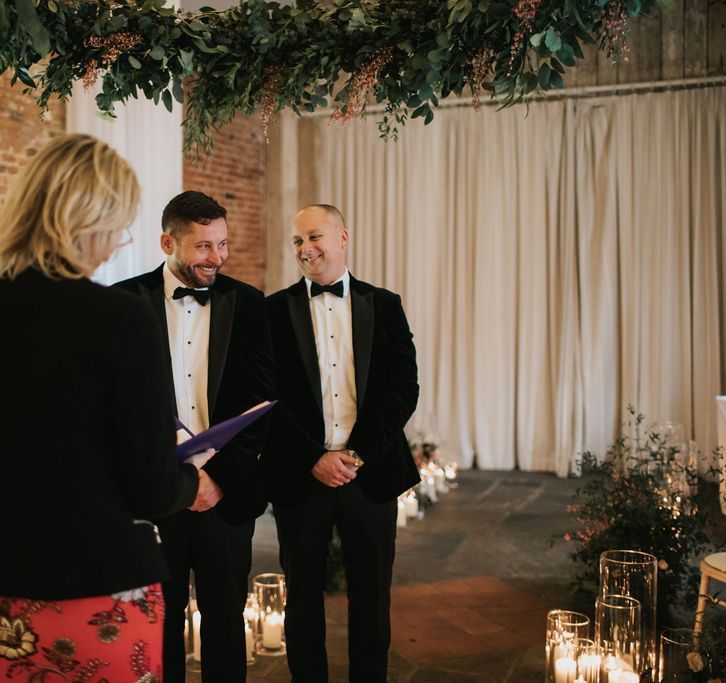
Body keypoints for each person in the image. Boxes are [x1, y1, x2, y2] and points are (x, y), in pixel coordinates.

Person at [0, 133, 214, 680]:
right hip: (98, 591)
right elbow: (151, 485)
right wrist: (190, 479)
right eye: (118, 222)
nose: (120, 241)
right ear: (86, 218)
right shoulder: (119, 318)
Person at [114, 190, 274, 683]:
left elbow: (263, 402)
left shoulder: (248, 304)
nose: (218, 258)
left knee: (226, 625)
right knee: (156, 626)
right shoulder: (123, 302)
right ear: (168, 242)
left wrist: (218, 479)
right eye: (204, 246)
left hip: (225, 493)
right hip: (154, 493)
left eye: (223, 244)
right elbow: (114, 405)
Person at [261, 204, 420, 682]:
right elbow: (266, 396)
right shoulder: (272, 310)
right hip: (301, 476)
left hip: (369, 475)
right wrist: (314, 457)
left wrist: (353, 455)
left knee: (372, 601)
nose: (305, 249)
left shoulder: (385, 304)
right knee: (302, 601)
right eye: (296, 241)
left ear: (343, 237)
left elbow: (404, 389)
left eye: (314, 237)